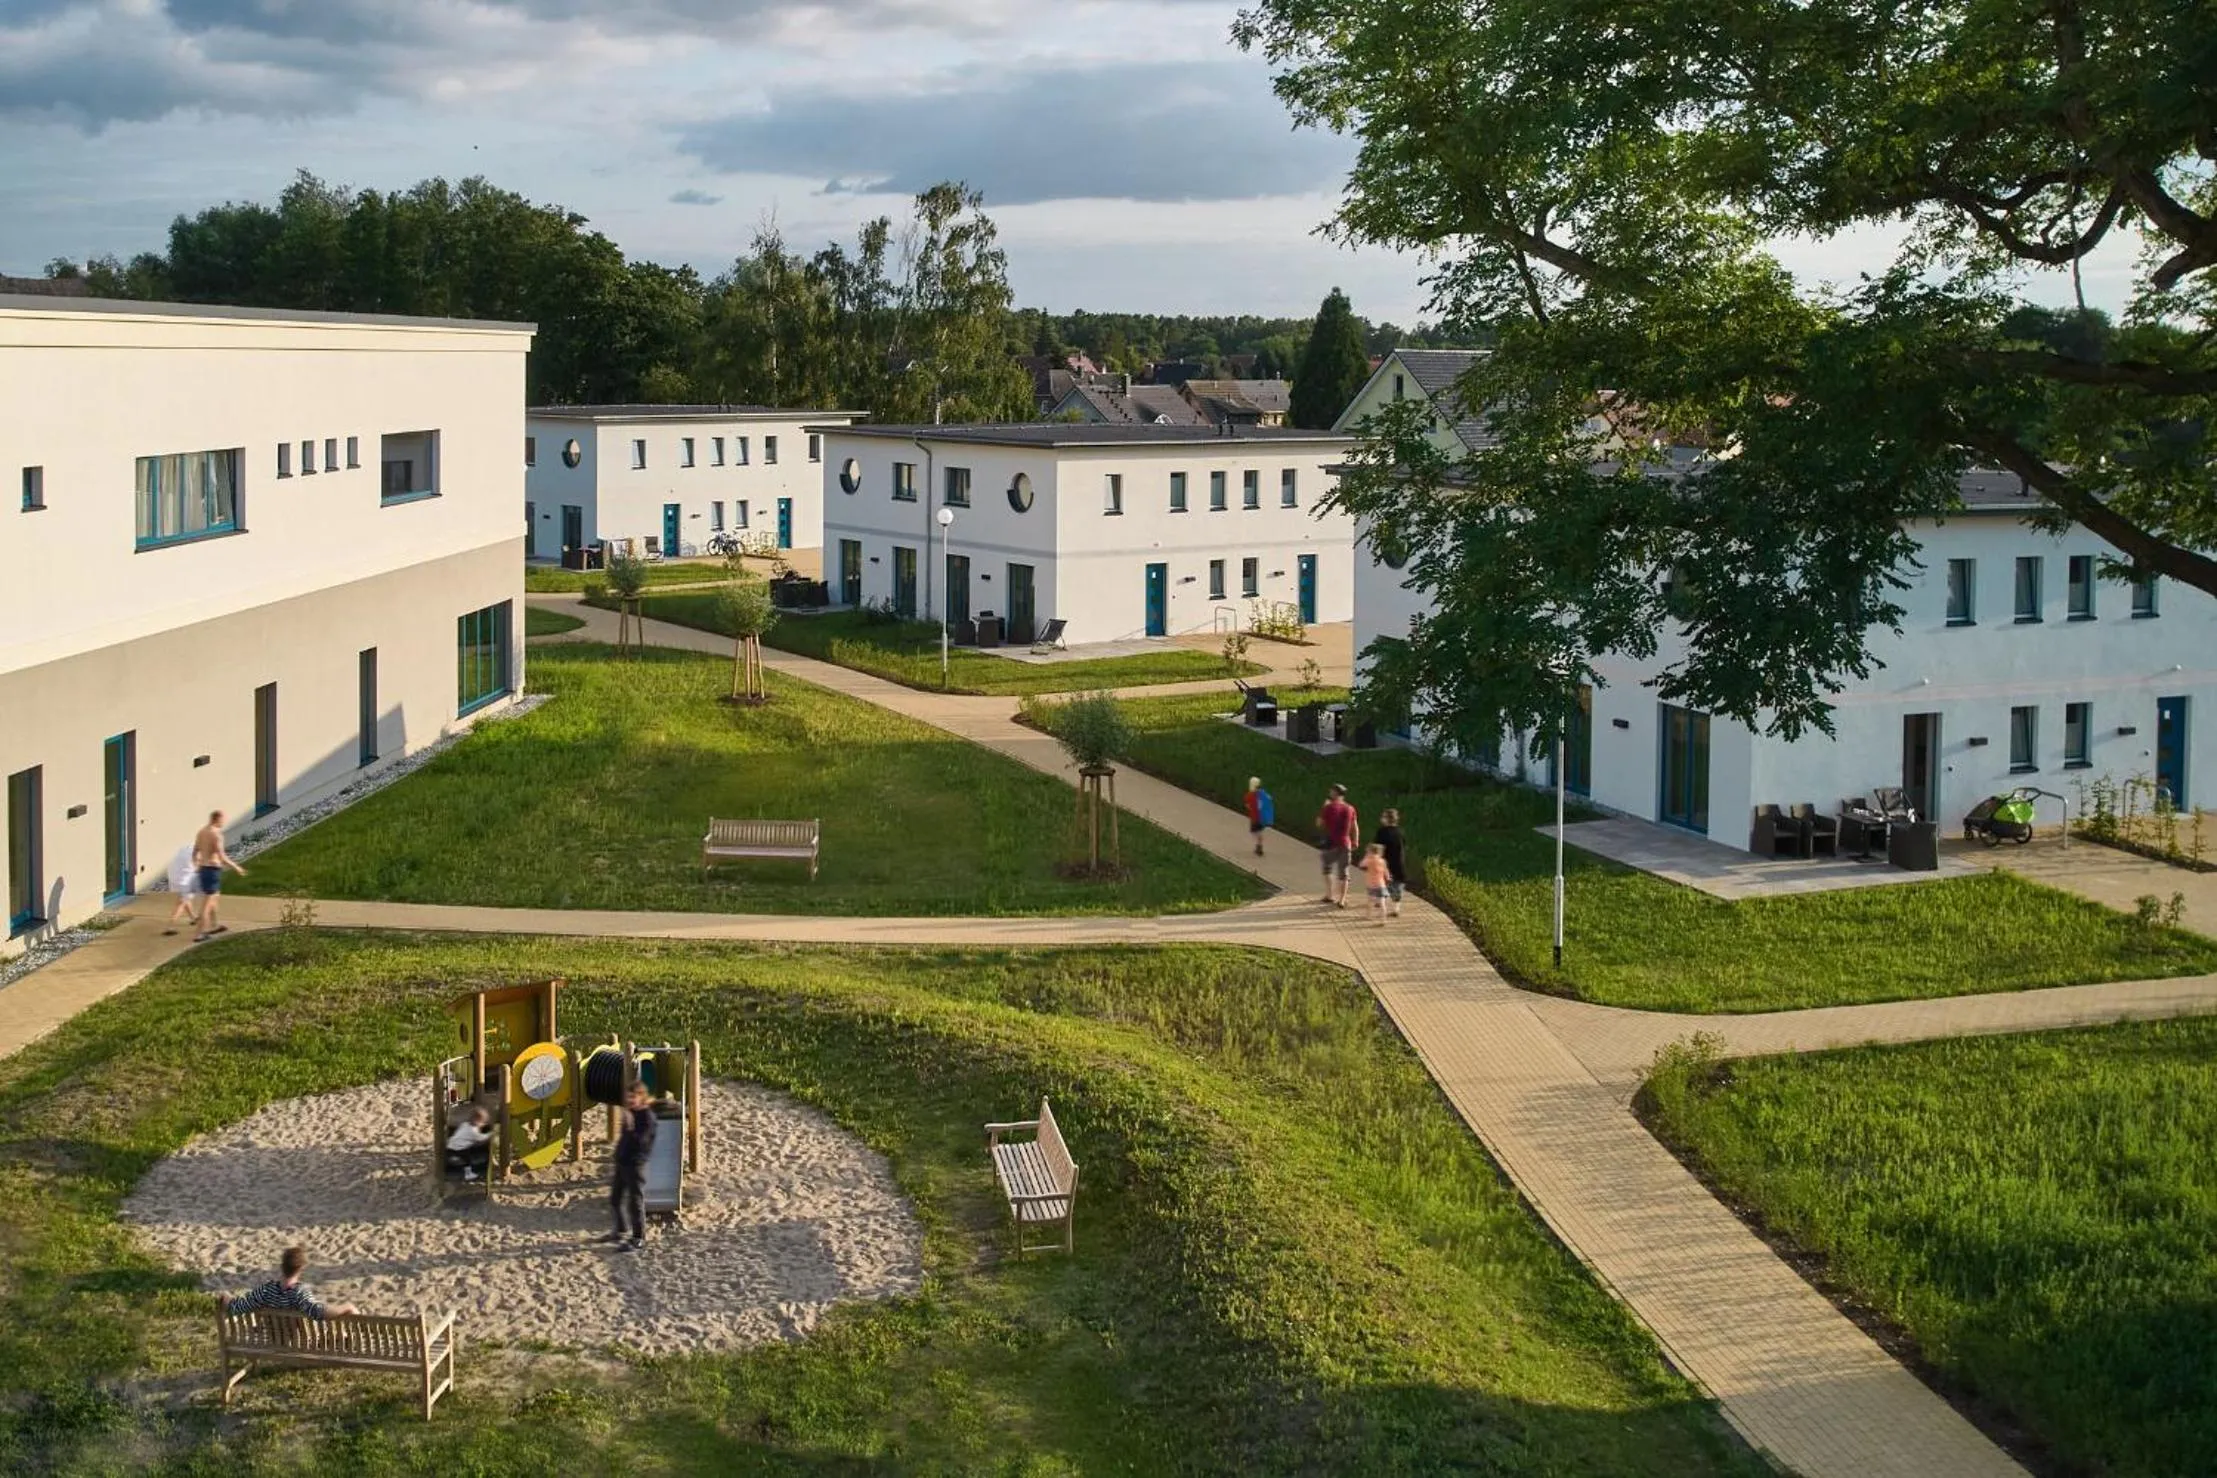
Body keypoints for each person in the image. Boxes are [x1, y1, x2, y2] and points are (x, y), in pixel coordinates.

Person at [219, 1245, 358, 1319]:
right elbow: (318, 1312)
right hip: (296, 1345)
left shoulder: (266, 1290)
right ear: (301, 1269)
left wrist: (225, 1298)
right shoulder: (299, 1293)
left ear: (282, 1266)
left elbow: (237, 1307)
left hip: (275, 1342)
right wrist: (346, 1306)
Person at [604, 1081, 657, 1250]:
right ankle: (621, 1230)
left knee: (635, 1202)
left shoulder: (647, 1117)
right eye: (628, 1097)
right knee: (615, 1199)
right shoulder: (631, 1113)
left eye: (633, 1097)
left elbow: (642, 1142)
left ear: (641, 1097)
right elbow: (624, 1138)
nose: (629, 1101)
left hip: (636, 1164)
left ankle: (638, 1237)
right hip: (623, 1161)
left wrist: (631, 1126)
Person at [191, 811, 247, 943]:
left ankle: (215, 925)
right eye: (222, 820)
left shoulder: (201, 832)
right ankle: (199, 934)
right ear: (216, 819)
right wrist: (236, 867)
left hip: (203, 870)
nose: (224, 822)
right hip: (212, 870)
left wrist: (197, 865)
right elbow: (222, 857)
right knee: (207, 904)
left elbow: (195, 852)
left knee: (214, 898)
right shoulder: (216, 834)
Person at [1316, 783, 1359, 907]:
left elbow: (1319, 823)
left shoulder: (1329, 807)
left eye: (1331, 791)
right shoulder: (1350, 808)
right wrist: (1355, 841)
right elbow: (1355, 826)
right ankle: (1342, 900)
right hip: (1346, 843)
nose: (1330, 792)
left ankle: (1330, 895)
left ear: (1335, 793)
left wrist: (1324, 808)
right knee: (1344, 872)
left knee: (1327, 867)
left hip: (1331, 843)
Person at [162, 841, 203, 936]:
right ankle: (169, 926)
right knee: (182, 902)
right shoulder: (199, 853)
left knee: (185, 898)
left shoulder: (187, 848)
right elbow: (198, 866)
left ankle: (193, 918)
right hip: (184, 878)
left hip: (173, 874)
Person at [445, 1104, 493, 1182]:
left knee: (468, 1148)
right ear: (476, 1120)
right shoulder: (472, 1131)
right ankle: (468, 1174)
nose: (482, 1125)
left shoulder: (465, 1124)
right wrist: (490, 1134)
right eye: (482, 1122)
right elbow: (481, 1138)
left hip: (450, 1146)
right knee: (467, 1159)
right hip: (458, 1149)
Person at [1374, 808, 1407, 918]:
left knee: (1382, 882)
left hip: (1385, 862)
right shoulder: (1400, 831)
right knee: (1397, 884)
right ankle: (1396, 908)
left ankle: (1380, 901)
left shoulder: (1382, 832)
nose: (1381, 819)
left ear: (1387, 819)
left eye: (1383, 817)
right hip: (1398, 861)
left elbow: (1378, 847)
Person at [1359, 843, 1394, 926]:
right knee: (1382, 903)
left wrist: (1366, 857)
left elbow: (1361, 864)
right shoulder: (1382, 861)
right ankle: (1383, 920)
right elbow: (1386, 871)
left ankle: (1368, 916)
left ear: (1370, 851)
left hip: (1371, 885)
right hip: (1381, 885)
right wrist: (1388, 877)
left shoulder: (1369, 860)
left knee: (1370, 901)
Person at [1244, 776, 1275, 857]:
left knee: (1255, 832)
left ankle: (1259, 846)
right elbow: (1269, 800)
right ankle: (1259, 845)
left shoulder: (1249, 795)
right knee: (1259, 831)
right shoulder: (1263, 794)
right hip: (1263, 818)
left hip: (1255, 817)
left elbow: (1247, 806)